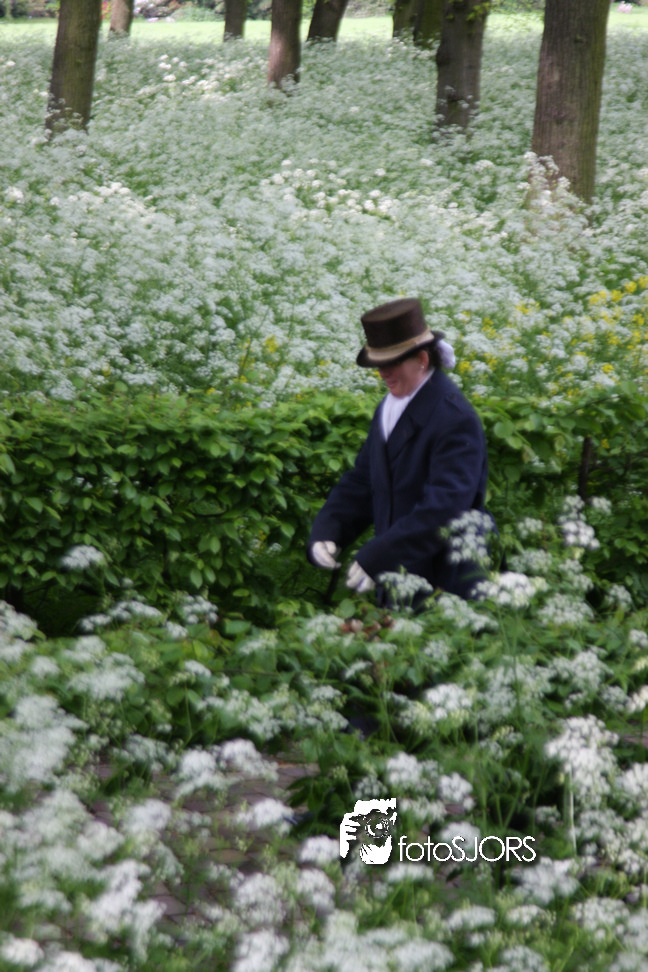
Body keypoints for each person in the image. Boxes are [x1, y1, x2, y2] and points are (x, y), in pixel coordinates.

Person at [307, 297, 493, 604]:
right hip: (398, 584)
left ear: (422, 359)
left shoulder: (454, 418)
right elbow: (364, 480)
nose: (383, 373)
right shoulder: (389, 406)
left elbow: (445, 508)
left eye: (392, 363)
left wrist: (381, 556)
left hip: (447, 586)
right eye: (379, 364)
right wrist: (328, 529)